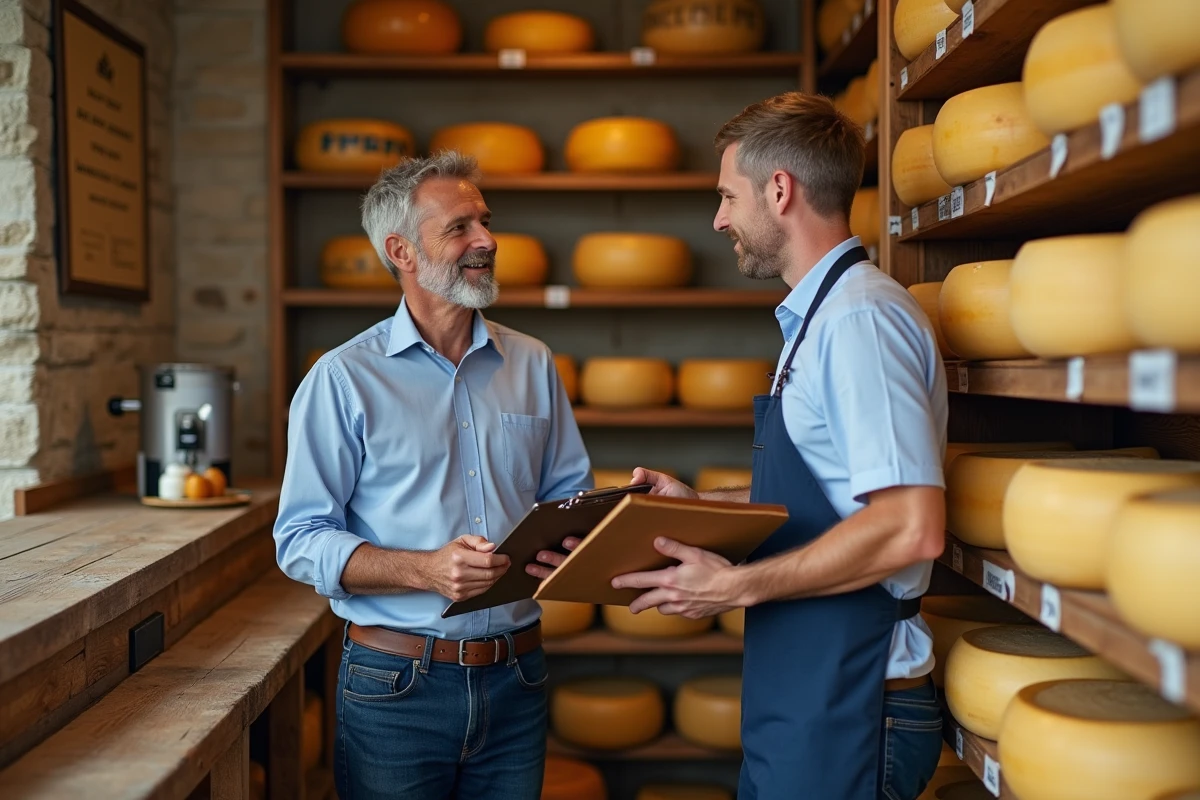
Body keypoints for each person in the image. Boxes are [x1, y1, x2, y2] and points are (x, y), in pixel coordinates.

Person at [530, 93, 948, 800]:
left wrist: (734, 586)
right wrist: (700, 506)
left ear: (779, 190)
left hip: (856, 700)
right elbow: (828, 492)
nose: (719, 219)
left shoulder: (860, 323)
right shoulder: (819, 317)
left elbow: (911, 526)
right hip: (810, 684)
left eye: (728, 196)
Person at [275, 151, 593, 800]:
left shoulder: (532, 362)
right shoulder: (343, 378)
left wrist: (590, 532)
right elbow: (300, 540)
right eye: (459, 228)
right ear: (402, 251)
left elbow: (569, 498)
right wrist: (424, 569)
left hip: (518, 677)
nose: (487, 241)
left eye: (486, 222)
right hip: (396, 686)